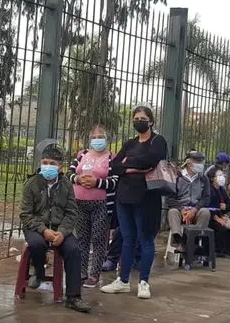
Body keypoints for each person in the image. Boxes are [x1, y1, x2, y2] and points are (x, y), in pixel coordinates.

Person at [101, 106, 168, 300]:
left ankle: (144, 282)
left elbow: (152, 159)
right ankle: (122, 281)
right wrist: (135, 167)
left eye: (143, 118)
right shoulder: (130, 143)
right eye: (136, 118)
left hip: (146, 197)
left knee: (145, 239)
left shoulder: (158, 141)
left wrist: (129, 164)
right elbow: (114, 165)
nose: (139, 121)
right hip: (124, 196)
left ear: (151, 121)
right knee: (127, 239)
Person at [20, 145, 91, 313]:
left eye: (52, 163)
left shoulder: (66, 185)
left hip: (60, 227)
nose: (48, 166)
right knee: (37, 245)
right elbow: (25, 214)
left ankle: (74, 296)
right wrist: (43, 230)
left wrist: (63, 232)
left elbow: (72, 212)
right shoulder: (32, 183)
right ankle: (38, 270)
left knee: (73, 249)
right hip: (36, 227)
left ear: (60, 167)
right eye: (45, 162)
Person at [68, 126, 117, 289]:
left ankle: (94, 273)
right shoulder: (82, 155)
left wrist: (98, 183)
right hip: (79, 202)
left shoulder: (111, 158)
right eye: (94, 137)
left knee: (98, 238)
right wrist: (77, 179)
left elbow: (116, 181)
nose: (97, 139)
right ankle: (81, 271)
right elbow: (69, 173)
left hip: (101, 204)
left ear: (107, 139)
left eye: (101, 136)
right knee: (81, 239)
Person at [165, 150, 212, 249]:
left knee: (205, 212)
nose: (200, 165)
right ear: (189, 164)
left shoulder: (204, 179)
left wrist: (194, 210)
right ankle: (177, 240)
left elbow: (206, 199)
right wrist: (182, 210)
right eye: (198, 162)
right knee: (172, 212)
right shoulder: (177, 177)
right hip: (180, 210)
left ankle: (194, 240)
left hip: (196, 210)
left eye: (201, 162)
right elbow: (170, 199)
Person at [205, 167, 230, 258]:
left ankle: (229, 250)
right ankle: (217, 250)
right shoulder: (209, 190)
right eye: (219, 175)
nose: (222, 177)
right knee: (220, 227)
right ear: (213, 178)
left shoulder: (221, 190)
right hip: (210, 217)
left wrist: (225, 207)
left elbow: (229, 204)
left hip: (220, 214)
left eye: (222, 175)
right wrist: (218, 219)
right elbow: (209, 207)